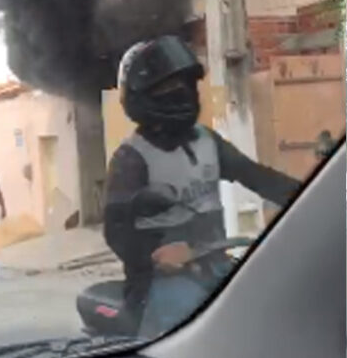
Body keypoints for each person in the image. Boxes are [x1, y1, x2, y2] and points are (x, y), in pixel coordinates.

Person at [104, 35, 301, 339]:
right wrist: (154, 255)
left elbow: (258, 176)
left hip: (214, 266)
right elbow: (115, 231)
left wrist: (308, 198)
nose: (181, 93)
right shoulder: (132, 158)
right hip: (158, 282)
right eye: (168, 87)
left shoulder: (207, 141)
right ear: (142, 95)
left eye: (185, 84)